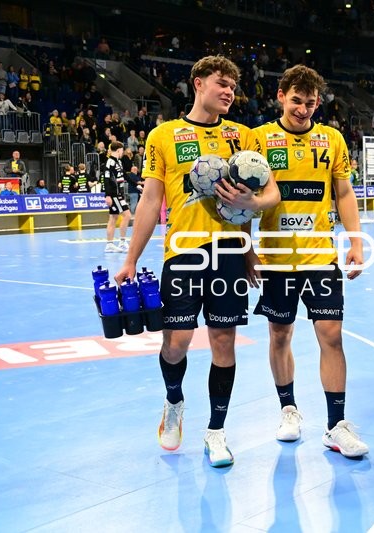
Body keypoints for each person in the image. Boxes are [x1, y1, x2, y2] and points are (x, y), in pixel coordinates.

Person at [114, 55, 280, 468]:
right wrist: (131, 259)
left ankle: (217, 432)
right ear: (198, 83)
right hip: (184, 252)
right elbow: (151, 200)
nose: (229, 91)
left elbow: (270, 194)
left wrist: (252, 214)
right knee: (177, 344)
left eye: (233, 86)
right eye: (222, 83)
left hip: (228, 255)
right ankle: (174, 401)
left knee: (224, 343)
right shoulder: (164, 136)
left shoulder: (244, 136)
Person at [248, 64, 369, 458]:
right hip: (276, 259)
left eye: (310, 102)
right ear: (281, 96)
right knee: (280, 335)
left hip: (320, 257)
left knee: (331, 335)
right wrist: (247, 249)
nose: (303, 109)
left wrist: (355, 241)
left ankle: (336, 425)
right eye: (296, 101)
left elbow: (344, 193)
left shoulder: (331, 139)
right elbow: (242, 202)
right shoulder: (258, 139)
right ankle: (288, 409)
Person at [102, 141, 131, 253]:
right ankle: (122, 242)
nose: (123, 152)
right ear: (119, 150)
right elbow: (106, 179)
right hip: (114, 194)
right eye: (122, 150)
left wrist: (138, 183)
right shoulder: (110, 162)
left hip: (119, 194)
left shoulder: (118, 162)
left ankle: (109, 244)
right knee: (127, 215)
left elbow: (124, 175)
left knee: (113, 218)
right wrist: (108, 195)